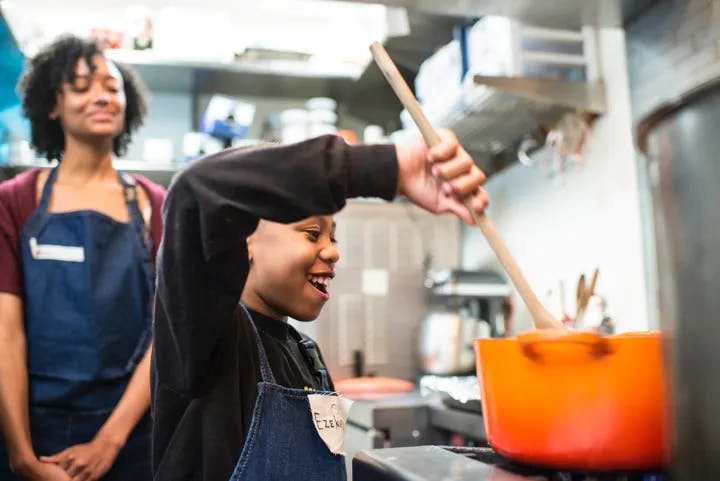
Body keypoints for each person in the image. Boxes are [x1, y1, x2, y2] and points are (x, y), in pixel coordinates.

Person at [152, 130, 489, 481]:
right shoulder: (208, 336)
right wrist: (388, 168)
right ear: (245, 239)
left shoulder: (304, 353)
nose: (333, 251)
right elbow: (196, 189)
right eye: (312, 233)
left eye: (333, 236)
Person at [0, 35, 165, 481]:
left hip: (131, 432)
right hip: (35, 429)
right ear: (52, 105)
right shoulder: (14, 202)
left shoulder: (158, 205)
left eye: (111, 87)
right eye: (81, 86)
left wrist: (109, 440)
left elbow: (165, 334)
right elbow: (5, 334)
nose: (101, 97)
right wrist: (21, 457)